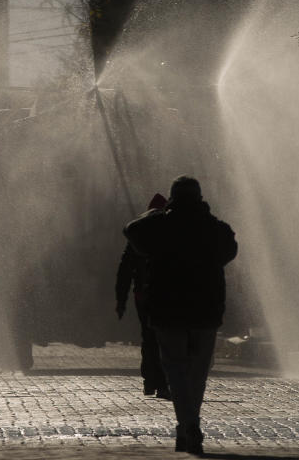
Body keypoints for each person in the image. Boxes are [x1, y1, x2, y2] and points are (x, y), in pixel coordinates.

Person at [124, 175, 237, 455]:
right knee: (198, 372)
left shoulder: (160, 226)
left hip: (167, 310)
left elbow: (131, 230)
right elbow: (229, 250)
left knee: (175, 369)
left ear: (172, 198)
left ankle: (187, 425)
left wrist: (155, 212)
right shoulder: (214, 228)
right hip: (205, 311)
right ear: (199, 197)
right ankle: (190, 424)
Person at [115, 192, 169, 399]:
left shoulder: (137, 236)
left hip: (142, 296)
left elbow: (125, 271)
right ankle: (162, 382)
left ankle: (149, 381)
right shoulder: (170, 234)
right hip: (164, 296)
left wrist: (121, 299)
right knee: (163, 338)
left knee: (148, 338)